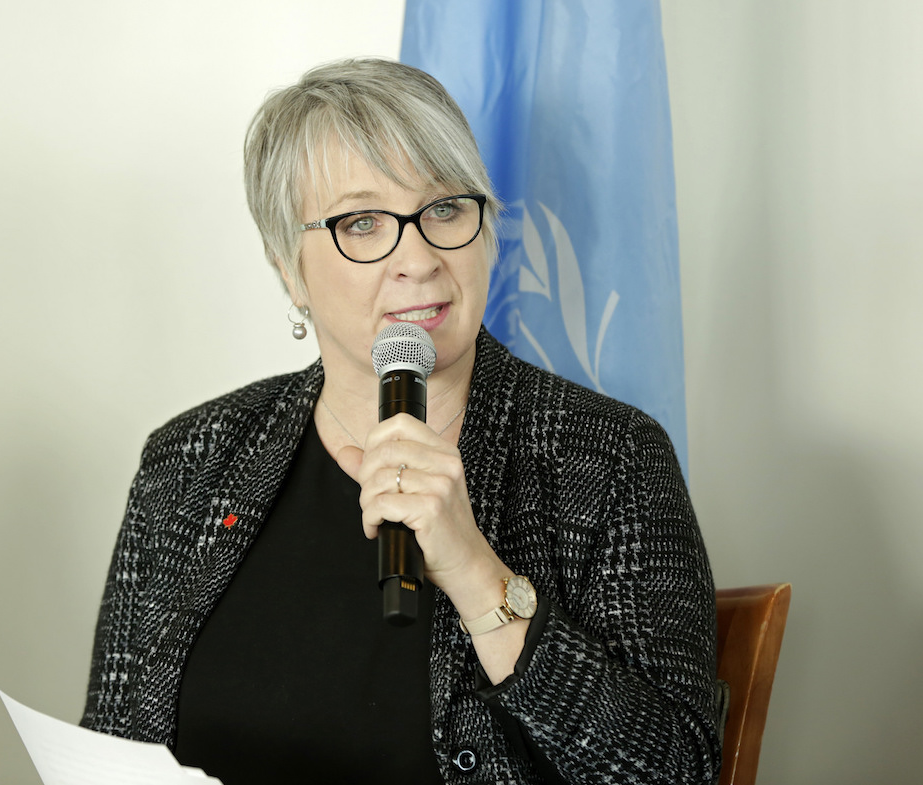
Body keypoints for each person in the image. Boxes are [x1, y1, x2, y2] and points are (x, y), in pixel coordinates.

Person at [81, 58, 721, 784]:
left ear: (485, 229)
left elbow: (677, 770)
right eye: (361, 222)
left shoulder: (605, 458)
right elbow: (108, 751)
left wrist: (479, 578)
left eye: (445, 208)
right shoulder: (189, 460)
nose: (417, 258)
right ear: (288, 268)